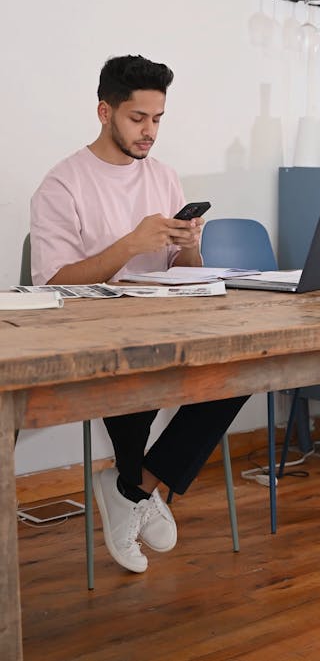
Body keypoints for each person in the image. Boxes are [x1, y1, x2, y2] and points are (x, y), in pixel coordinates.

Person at [30, 54, 248, 574]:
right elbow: (51, 282)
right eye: (137, 119)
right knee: (139, 373)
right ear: (105, 112)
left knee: (239, 369)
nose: (149, 132)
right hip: (95, 328)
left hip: (165, 318)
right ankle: (135, 487)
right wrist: (129, 245)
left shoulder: (164, 176)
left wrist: (191, 245)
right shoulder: (62, 185)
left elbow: (184, 269)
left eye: (157, 119)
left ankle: (133, 486)